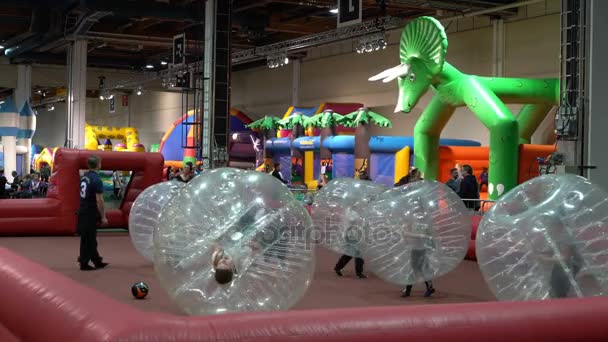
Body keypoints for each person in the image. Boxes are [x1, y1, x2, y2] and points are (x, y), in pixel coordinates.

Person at [77, 155, 109, 271]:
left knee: (89, 237)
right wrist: (103, 216)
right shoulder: (96, 179)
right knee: (88, 239)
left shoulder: (84, 177)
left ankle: (96, 260)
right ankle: (84, 262)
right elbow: (99, 199)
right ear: (98, 165)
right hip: (90, 211)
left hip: (82, 209)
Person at [334, 209, 367, 279]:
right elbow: (352, 221)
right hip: (352, 235)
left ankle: (338, 267)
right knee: (359, 254)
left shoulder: (351, 211)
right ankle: (359, 273)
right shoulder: (351, 212)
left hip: (352, 234)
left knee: (349, 253)